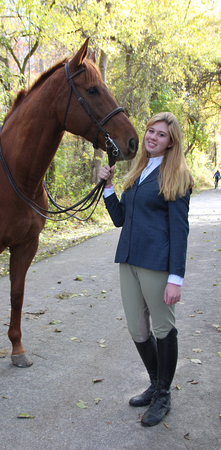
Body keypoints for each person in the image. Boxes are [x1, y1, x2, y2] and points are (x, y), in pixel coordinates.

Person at [99, 112, 191, 427]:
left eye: (161, 134)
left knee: (163, 328)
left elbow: (180, 231)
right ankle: (155, 382)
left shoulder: (176, 174)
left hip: (157, 263)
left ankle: (163, 395)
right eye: (150, 131)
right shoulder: (140, 171)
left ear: (171, 143)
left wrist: (175, 278)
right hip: (129, 260)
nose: (152, 137)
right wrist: (109, 187)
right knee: (137, 329)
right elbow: (121, 219)